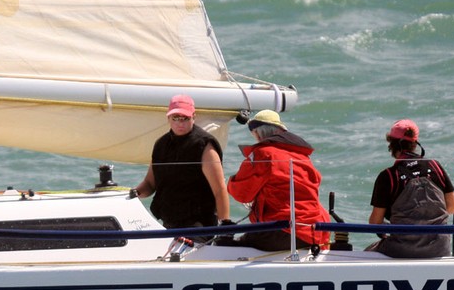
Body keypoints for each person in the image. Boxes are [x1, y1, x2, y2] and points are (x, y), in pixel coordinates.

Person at [225, 109, 330, 250]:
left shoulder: (263, 154)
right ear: (280, 131)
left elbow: (241, 193)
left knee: (227, 245)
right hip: (314, 232)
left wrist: (230, 182)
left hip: (283, 229)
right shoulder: (303, 156)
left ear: (256, 133)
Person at [134, 94, 231, 231]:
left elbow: (220, 189)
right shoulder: (161, 144)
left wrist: (225, 227)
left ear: (194, 117)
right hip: (169, 222)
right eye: (176, 118)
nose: (180, 123)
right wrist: (134, 193)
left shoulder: (205, 146)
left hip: (199, 224)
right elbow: (150, 184)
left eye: (185, 118)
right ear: (168, 118)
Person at [366, 119, 454, 258]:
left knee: (367, 252)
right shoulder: (435, 166)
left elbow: (375, 222)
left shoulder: (388, 176)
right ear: (415, 143)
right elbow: (451, 207)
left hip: (402, 249)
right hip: (439, 248)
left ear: (391, 144)